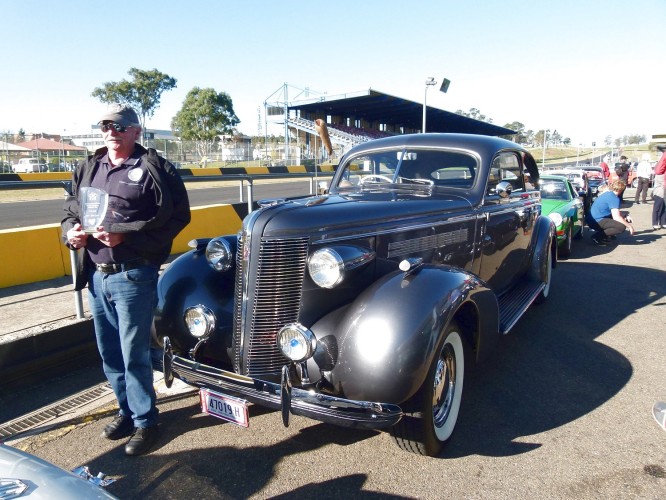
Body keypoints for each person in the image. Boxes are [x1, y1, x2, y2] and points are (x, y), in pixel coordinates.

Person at [61, 104, 191, 456]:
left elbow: (178, 218)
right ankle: (127, 411)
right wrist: (70, 233)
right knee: (109, 352)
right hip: (96, 276)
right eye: (105, 125)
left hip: (133, 274)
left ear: (136, 131)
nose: (111, 131)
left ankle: (147, 422)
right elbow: (70, 210)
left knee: (133, 352)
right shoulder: (89, 166)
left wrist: (124, 236)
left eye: (118, 126)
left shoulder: (154, 168)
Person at [587, 179, 634, 245]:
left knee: (620, 219)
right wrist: (629, 226)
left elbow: (614, 212)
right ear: (621, 190)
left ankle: (605, 235)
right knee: (621, 227)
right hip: (596, 221)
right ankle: (597, 237)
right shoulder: (614, 198)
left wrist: (625, 215)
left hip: (591, 219)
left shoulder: (608, 194)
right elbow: (616, 217)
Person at [651, 149, 666, 229]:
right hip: (659, 191)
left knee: (663, 207)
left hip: (663, 189)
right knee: (657, 207)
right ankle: (655, 223)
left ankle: (663, 222)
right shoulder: (659, 171)